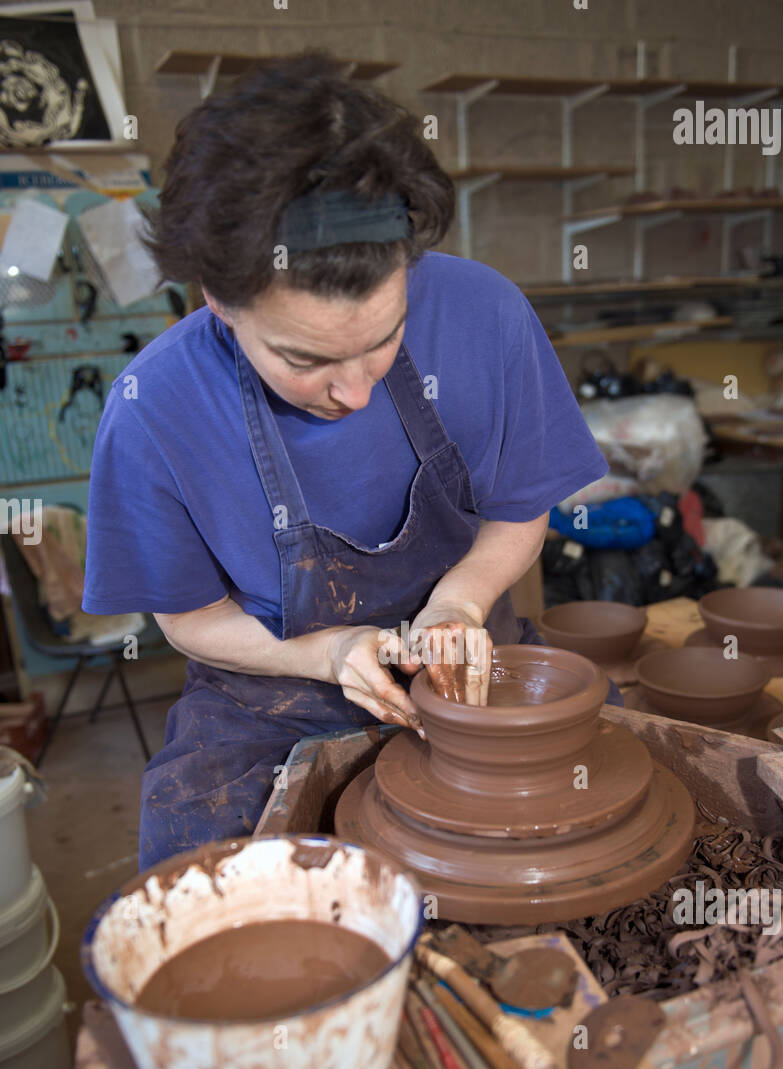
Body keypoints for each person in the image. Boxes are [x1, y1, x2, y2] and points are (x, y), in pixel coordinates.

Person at [82, 53, 614, 871]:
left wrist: (459, 607)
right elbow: (187, 621)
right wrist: (328, 653)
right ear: (215, 300)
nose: (354, 392)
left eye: (384, 340)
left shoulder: (484, 314)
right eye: (303, 359)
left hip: (467, 669)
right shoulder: (154, 409)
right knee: (211, 899)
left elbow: (516, 509)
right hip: (270, 701)